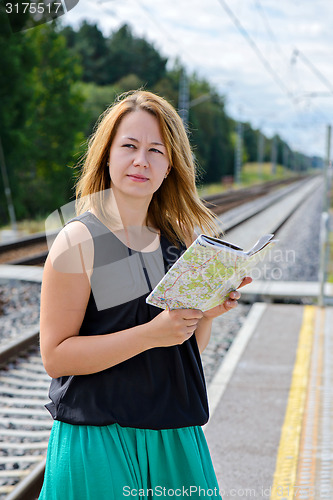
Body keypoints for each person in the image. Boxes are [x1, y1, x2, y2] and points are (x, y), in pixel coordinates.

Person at [38, 90, 251, 500]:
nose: (142, 160)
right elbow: (56, 356)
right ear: (107, 156)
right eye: (130, 146)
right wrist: (150, 334)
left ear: (170, 166)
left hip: (174, 436)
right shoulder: (79, 241)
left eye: (156, 150)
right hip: (98, 439)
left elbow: (185, 346)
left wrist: (204, 314)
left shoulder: (181, 241)